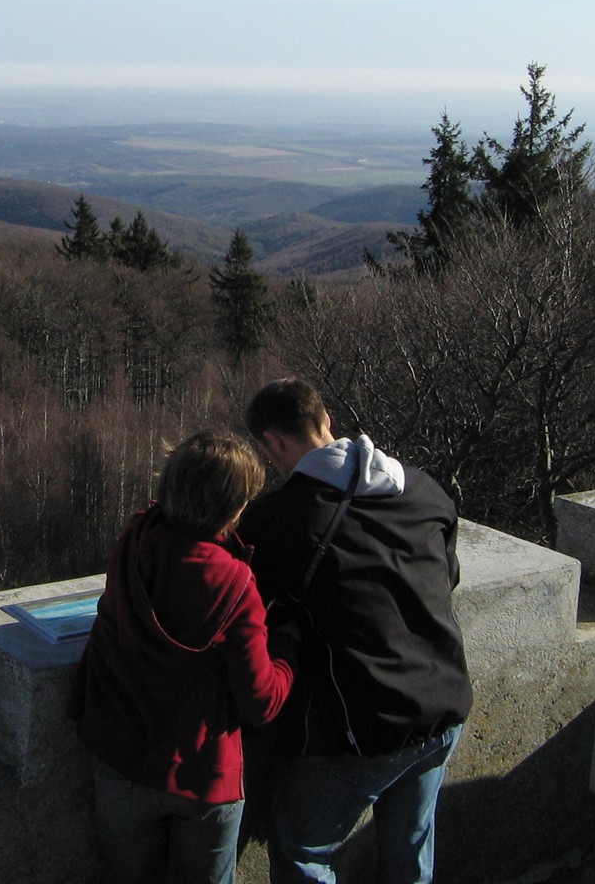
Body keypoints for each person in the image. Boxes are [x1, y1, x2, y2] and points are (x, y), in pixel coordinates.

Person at [237, 378, 472, 884]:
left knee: (302, 848)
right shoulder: (425, 490)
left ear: (272, 443)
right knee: (409, 854)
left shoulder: (276, 522)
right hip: (445, 702)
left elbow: (252, 612)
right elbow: (446, 577)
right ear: (326, 422)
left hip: (364, 724)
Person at [72, 428, 296, 884]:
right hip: (202, 775)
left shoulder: (134, 541)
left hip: (120, 757)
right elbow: (259, 702)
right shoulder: (235, 584)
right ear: (232, 508)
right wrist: (290, 651)